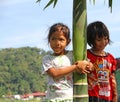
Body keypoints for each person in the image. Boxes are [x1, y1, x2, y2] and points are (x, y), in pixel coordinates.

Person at [42, 23, 93, 102]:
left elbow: (88, 64)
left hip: (69, 98)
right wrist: (75, 67)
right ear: (49, 40)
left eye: (61, 39)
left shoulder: (72, 55)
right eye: (53, 39)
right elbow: (55, 74)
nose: (57, 43)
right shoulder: (47, 59)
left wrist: (89, 65)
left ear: (68, 42)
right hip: (52, 99)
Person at [87, 21, 118, 102]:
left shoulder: (111, 58)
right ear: (91, 40)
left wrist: (115, 96)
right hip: (91, 96)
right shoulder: (86, 55)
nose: (103, 42)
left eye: (106, 38)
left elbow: (112, 78)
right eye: (99, 39)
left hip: (107, 96)